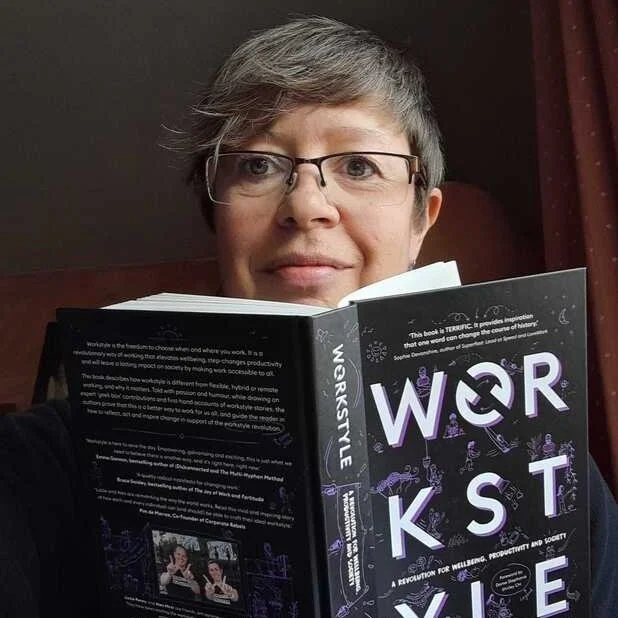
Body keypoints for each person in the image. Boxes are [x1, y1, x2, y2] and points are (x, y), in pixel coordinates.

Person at [0, 16, 616, 618]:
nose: (305, 204)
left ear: (421, 221)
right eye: (258, 165)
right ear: (218, 220)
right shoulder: (45, 464)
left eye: (358, 165)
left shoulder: (542, 458)